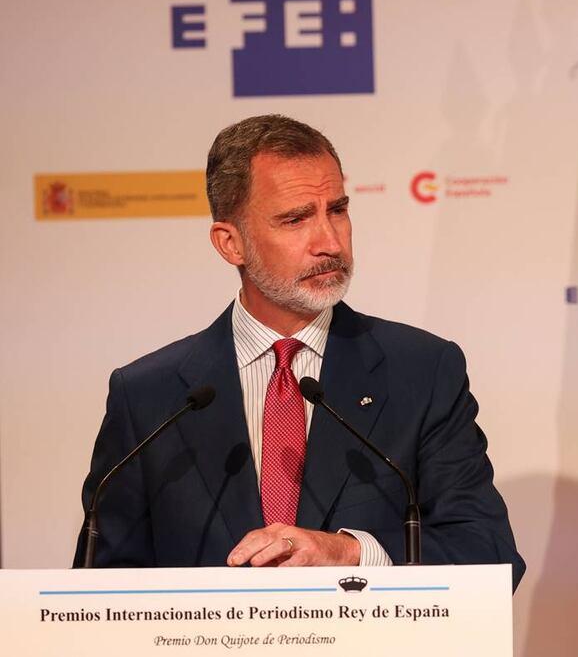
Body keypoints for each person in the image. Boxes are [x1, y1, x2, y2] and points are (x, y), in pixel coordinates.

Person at [74, 114, 525, 589]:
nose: (329, 242)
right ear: (230, 243)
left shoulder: (422, 372)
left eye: (337, 210)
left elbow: (489, 555)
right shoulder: (149, 397)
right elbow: (97, 592)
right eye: (295, 219)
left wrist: (351, 553)